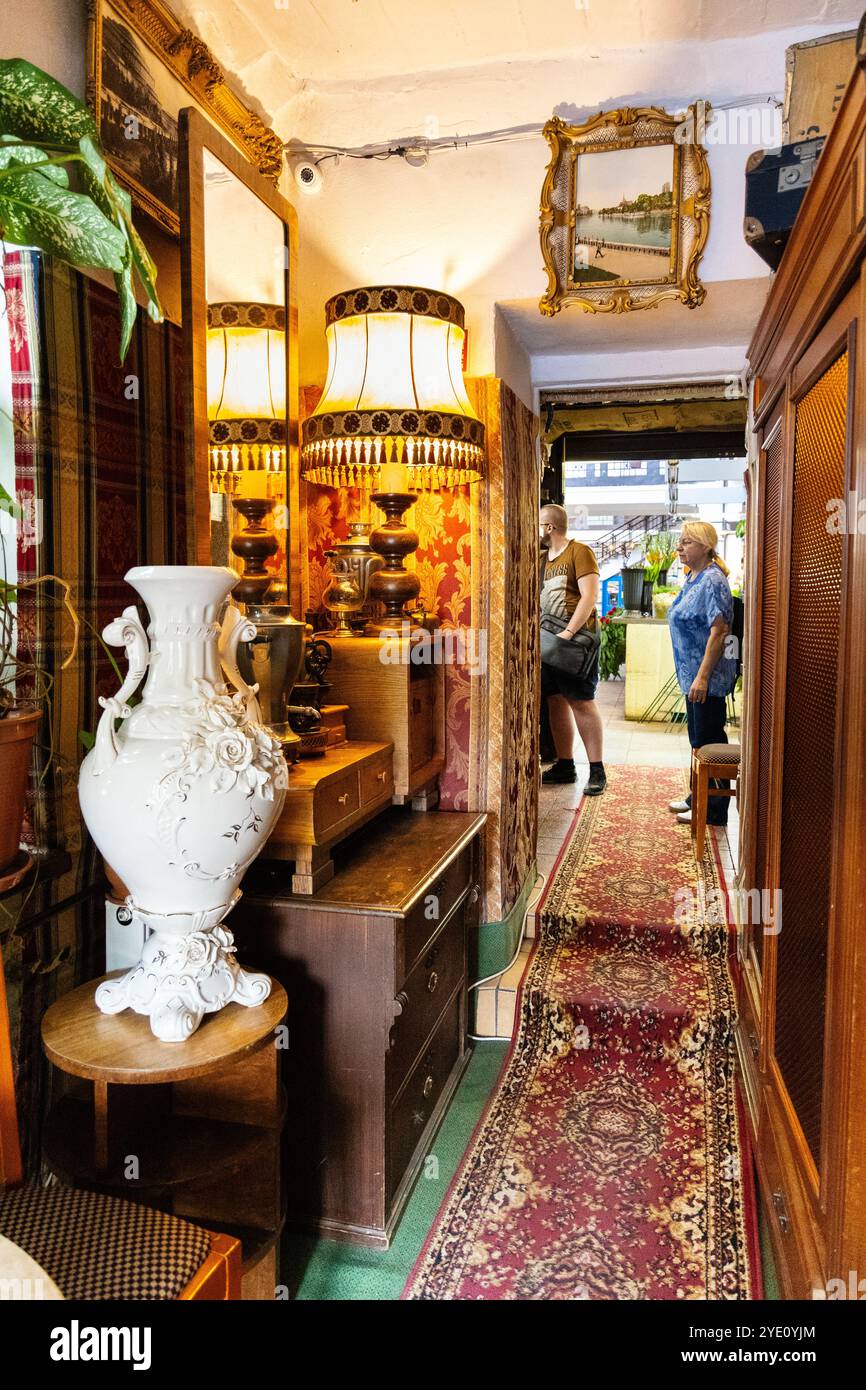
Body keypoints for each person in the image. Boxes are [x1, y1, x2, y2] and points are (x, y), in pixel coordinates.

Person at [667, 520, 738, 826]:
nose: (680, 547)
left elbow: (720, 631)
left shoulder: (712, 580)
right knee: (697, 740)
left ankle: (714, 810)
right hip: (691, 673)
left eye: (688, 542)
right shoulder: (693, 576)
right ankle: (698, 796)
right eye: (680, 541)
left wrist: (703, 676)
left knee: (709, 740)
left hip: (706, 677)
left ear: (706, 547)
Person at [539, 503, 606, 794]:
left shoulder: (580, 552)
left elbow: (590, 596)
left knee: (582, 701)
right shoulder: (542, 559)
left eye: (539, 524)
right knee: (555, 700)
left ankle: (597, 770)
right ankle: (565, 764)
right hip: (547, 643)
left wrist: (568, 632)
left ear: (549, 527)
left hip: (574, 642)